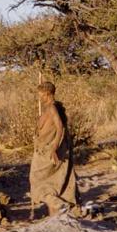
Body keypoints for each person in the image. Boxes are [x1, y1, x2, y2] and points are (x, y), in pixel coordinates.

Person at [29, 81, 80, 217]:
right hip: (42, 150)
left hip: (47, 152)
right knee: (49, 182)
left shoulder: (52, 108)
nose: (39, 97)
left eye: (40, 94)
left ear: (47, 94)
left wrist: (54, 147)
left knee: (37, 182)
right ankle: (54, 214)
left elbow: (59, 127)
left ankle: (60, 206)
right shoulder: (50, 107)